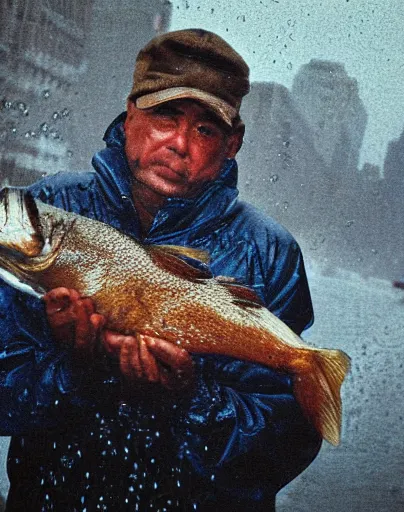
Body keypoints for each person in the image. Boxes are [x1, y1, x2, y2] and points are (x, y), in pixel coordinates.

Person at [0, 29, 321, 511]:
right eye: (165, 116)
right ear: (130, 114)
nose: (179, 143)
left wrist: (189, 398)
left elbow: (284, 448)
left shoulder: (270, 252)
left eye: (206, 130)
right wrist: (80, 370)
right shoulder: (50, 207)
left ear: (233, 144)